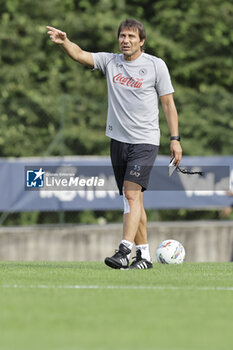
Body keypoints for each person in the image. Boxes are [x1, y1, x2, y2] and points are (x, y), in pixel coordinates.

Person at [46, 18, 182, 269]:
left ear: (142, 41)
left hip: (145, 142)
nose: (125, 40)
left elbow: (168, 104)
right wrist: (65, 42)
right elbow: (80, 55)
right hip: (118, 142)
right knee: (134, 201)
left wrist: (175, 139)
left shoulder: (155, 66)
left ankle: (123, 250)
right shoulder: (111, 62)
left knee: (131, 194)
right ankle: (144, 256)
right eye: (122, 36)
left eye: (131, 37)